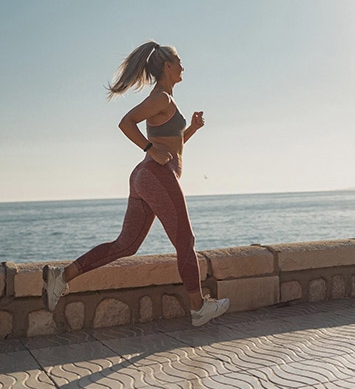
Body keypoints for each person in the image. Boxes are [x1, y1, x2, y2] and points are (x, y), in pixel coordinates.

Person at [42, 41, 230, 327]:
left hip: (146, 177)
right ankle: (198, 308)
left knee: (125, 245)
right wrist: (148, 148)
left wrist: (190, 129)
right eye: (179, 62)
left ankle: (61, 277)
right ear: (167, 65)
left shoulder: (166, 99)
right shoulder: (162, 98)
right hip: (155, 175)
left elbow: (172, 146)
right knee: (185, 241)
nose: (183, 67)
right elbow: (126, 122)